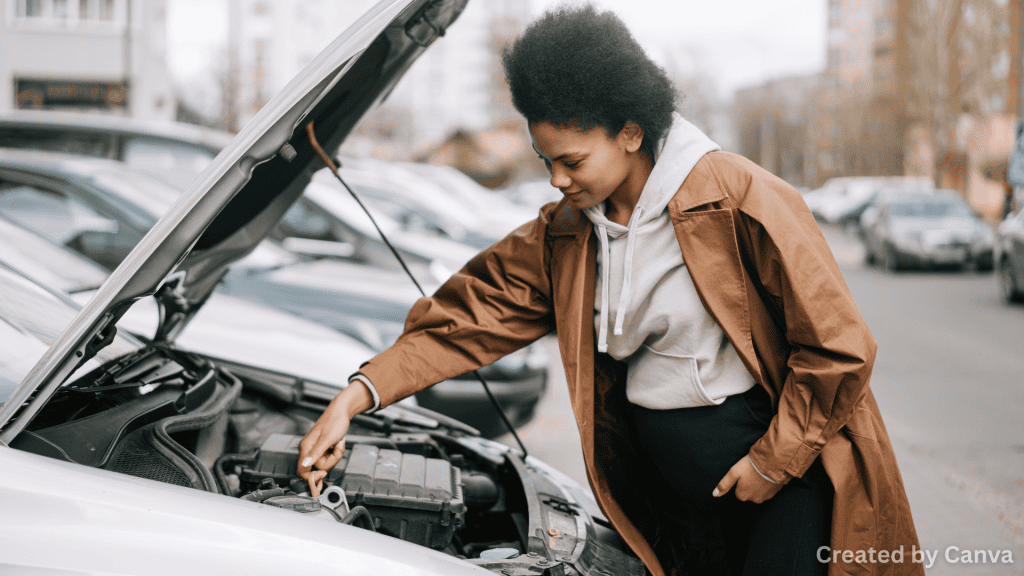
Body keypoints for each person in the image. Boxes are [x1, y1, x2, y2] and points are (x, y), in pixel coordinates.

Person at [298, 5, 922, 575]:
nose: (556, 180)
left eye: (571, 161)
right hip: (674, 506)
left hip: (779, 491)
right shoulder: (566, 236)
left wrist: (771, 463)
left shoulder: (738, 198)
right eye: (546, 162)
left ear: (630, 131)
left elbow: (838, 346)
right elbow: (469, 315)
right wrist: (357, 395)